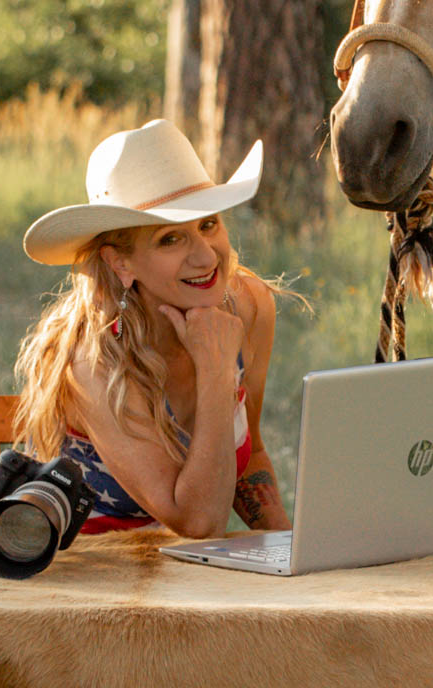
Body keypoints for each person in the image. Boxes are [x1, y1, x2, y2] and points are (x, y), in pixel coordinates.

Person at [15, 118, 292, 537]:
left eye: (208, 224)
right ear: (120, 263)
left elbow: (248, 459)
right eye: (170, 239)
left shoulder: (249, 307)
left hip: (183, 573)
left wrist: (293, 554)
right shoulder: (94, 361)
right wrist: (215, 368)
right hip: (93, 579)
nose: (205, 257)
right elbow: (199, 523)